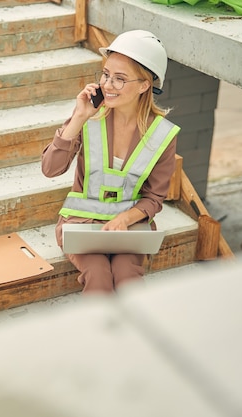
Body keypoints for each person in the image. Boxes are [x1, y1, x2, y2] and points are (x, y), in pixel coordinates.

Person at [41, 30, 180, 293]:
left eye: (119, 79)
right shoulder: (90, 118)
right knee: (99, 276)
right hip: (80, 225)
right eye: (106, 74)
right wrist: (79, 116)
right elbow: (50, 169)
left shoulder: (162, 134)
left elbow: (154, 198)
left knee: (128, 276)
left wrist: (125, 220)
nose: (107, 85)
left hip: (128, 228)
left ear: (144, 85)